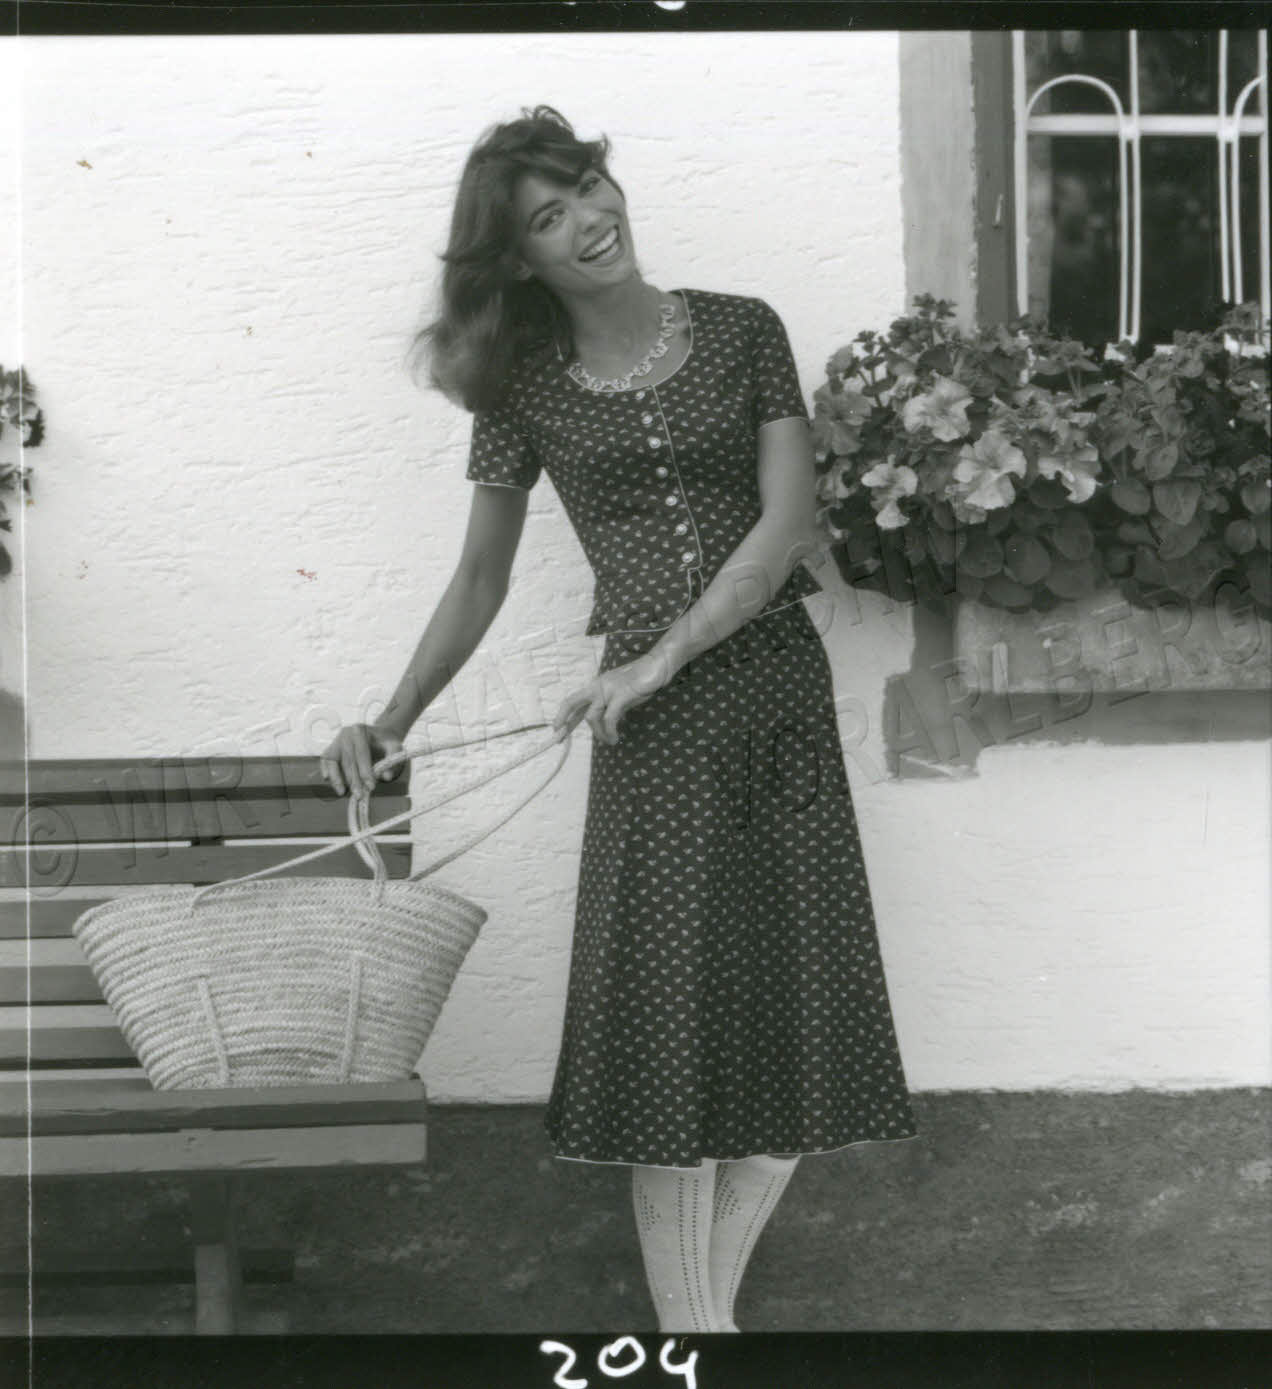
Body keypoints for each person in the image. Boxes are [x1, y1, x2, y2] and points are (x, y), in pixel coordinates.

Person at [319, 106, 917, 1334]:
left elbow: (786, 523)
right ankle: (702, 1338)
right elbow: (479, 575)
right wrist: (392, 719)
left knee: (796, 1016)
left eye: (588, 187)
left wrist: (662, 656)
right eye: (549, 216)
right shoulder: (521, 387)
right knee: (668, 1043)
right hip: (654, 735)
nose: (589, 220)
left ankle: (704, 1333)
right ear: (519, 259)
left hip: (771, 694)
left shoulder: (744, 328)